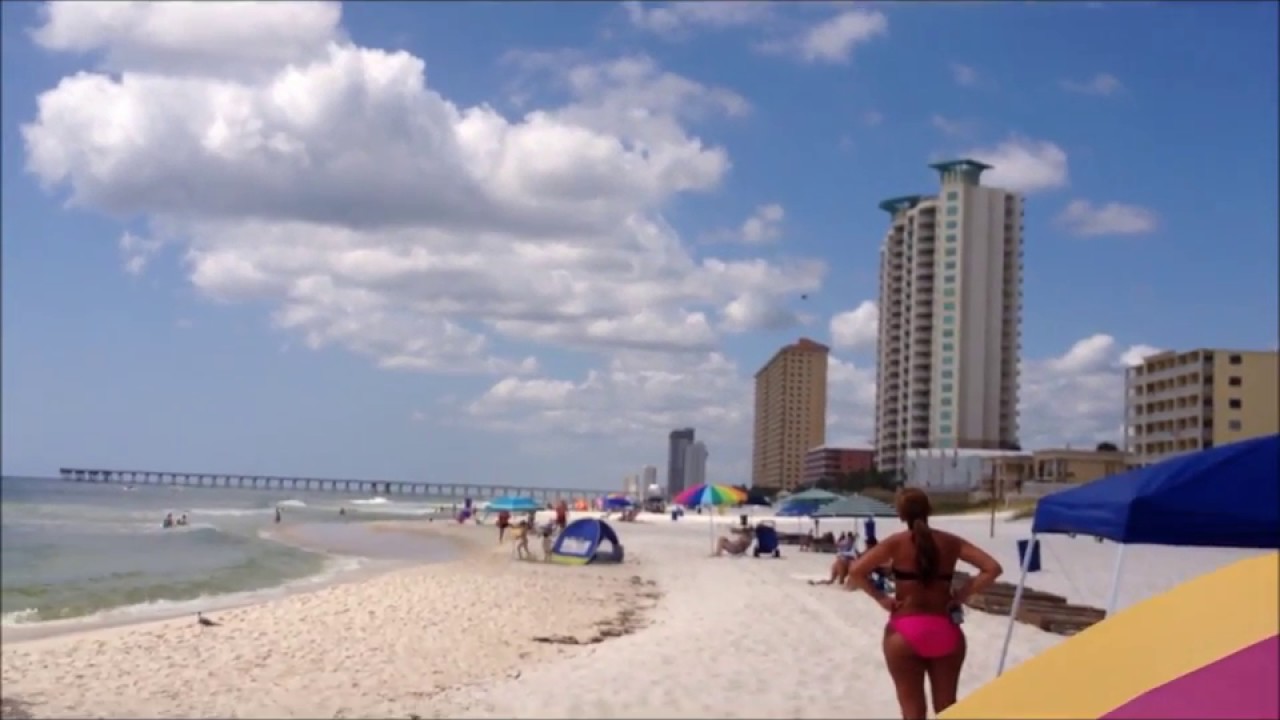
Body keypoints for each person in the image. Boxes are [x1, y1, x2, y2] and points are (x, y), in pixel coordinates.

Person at [846, 488, 1003, 720]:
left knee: (913, 714)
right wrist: (961, 595)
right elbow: (992, 568)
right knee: (948, 709)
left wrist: (882, 599)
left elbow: (856, 571)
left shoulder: (896, 543)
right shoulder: (951, 542)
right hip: (946, 629)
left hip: (904, 632)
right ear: (929, 511)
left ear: (901, 515)